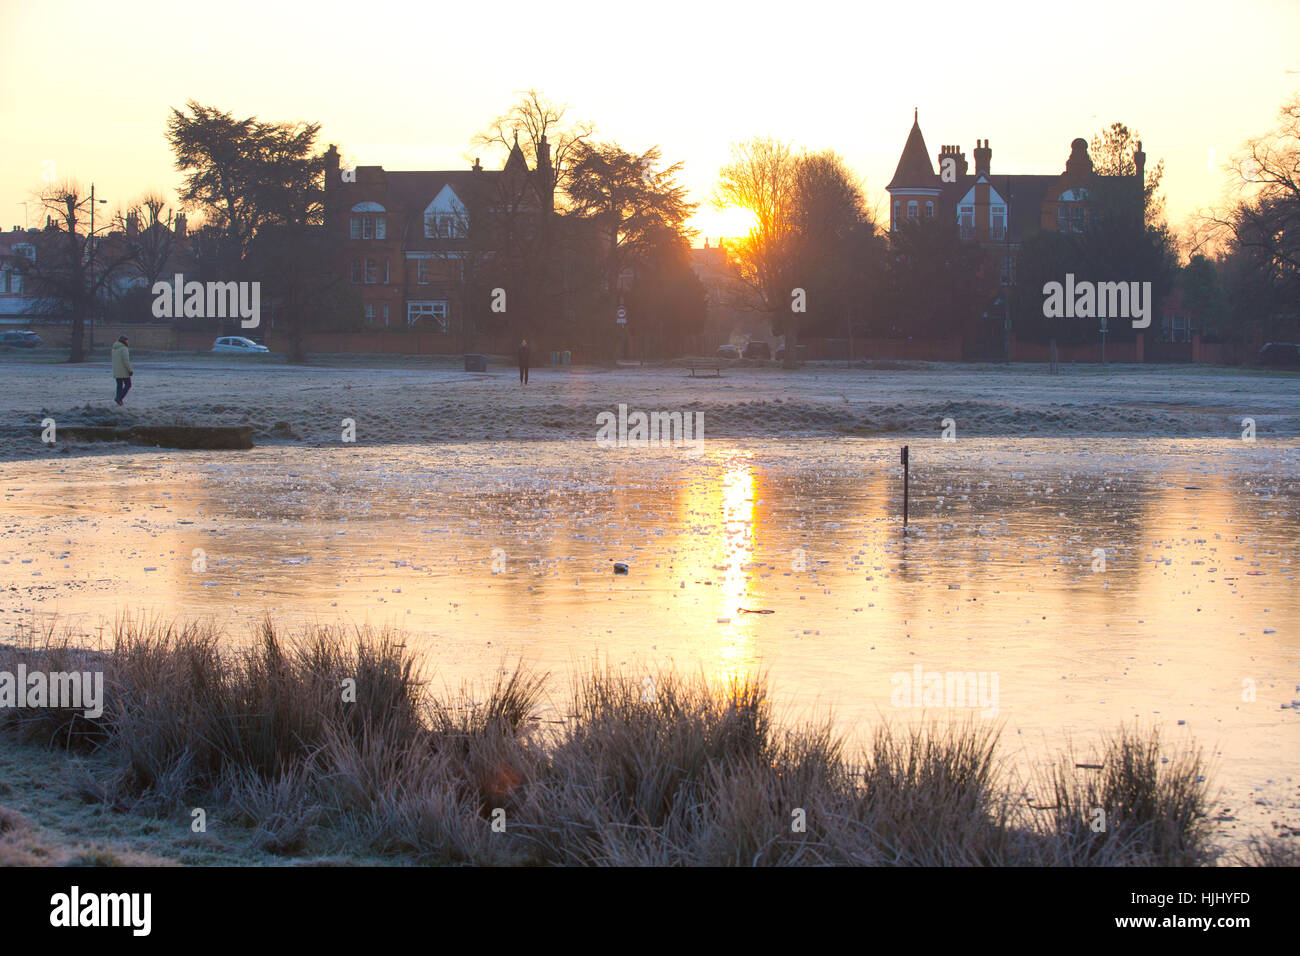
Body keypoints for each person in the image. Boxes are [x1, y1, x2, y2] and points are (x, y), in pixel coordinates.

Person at [111, 335, 133, 406]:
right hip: (124, 371)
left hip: (116, 370)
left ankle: (119, 400)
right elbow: (126, 361)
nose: (128, 342)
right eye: (127, 340)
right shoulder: (124, 348)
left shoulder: (114, 348)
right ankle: (119, 398)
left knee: (119, 385)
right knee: (128, 384)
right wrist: (130, 370)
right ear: (124, 341)